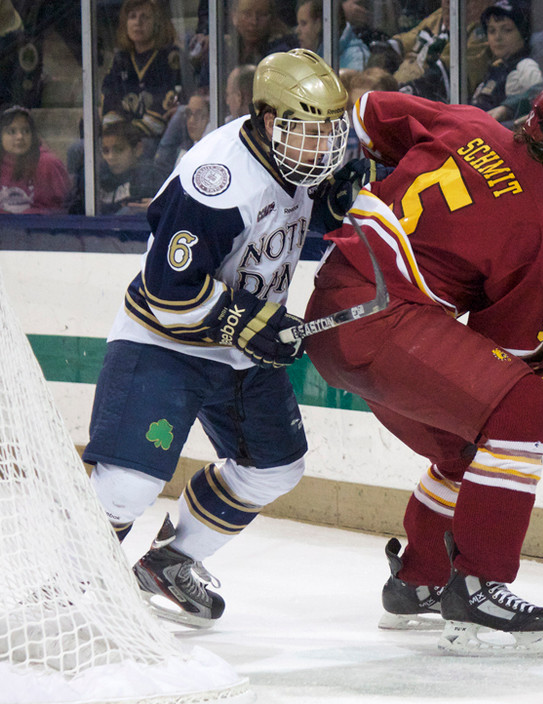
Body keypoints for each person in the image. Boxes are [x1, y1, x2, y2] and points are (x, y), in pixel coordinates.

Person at [303, 77, 543, 655]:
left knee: (465, 448)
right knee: (524, 409)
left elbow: (369, 111)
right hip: (380, 321)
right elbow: (508, 354)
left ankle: (420, 580)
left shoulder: (471, 124)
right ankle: (479, 586)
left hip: (334, 307)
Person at [82, 49, 349, 628]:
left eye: (332, 131)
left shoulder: (293, 158)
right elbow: (167, 289)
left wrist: (335, 203)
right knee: (128, 483)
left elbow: (297, 214)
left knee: (274, 468)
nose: (325, 147)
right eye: (311, 133)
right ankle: (70, 574)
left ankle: (170, 563)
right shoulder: (219, 180)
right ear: (271, 121)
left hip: (239, 349)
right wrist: (250, 320)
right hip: (164, 341)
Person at [100, 0, 183, 156]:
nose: (138, 22)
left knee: (142, 149)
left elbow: (162, 109)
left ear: (157, 23)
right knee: (77, 149)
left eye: (145, 17)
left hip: (153, 137)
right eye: (132, 16)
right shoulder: (120, 59)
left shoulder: (170, 57)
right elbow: (110, 98)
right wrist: (118, 132)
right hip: (119, 137)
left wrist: (126, 133)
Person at [470, 0, 542, 116]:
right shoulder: (494, 70)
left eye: (507, 30)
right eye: (492, 31)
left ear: (523, 33)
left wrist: (507, 109)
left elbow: (540, 95)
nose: (498, 37)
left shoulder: (526, 66)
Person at [0, 105, 71, 214]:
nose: (20, 137)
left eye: (26, 131)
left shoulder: (49, 164)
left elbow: (64, 210)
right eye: (12, 131)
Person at [95, 120, 165, 214]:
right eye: (105, 151)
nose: (110, 157)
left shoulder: (149, 178)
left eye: (119, 150)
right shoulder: (97, 176)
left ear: (138, 149)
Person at [153, 91, 213, 178]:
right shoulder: (184, 153)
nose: (192, 120)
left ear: (209, 118)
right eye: (189, 114)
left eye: (198, 114)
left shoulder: (212, 153)